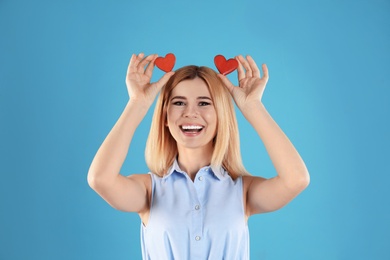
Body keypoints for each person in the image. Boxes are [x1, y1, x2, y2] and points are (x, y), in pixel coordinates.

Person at [87, 53, 310, 259]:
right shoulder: (148, 190)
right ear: (165, 116)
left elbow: (296, 180)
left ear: (221, 115)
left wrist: (253, 106)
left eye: (204, 103)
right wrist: (137, 103)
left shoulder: (242, 190)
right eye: (179, 102)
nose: (190, 112)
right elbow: (101, 179)